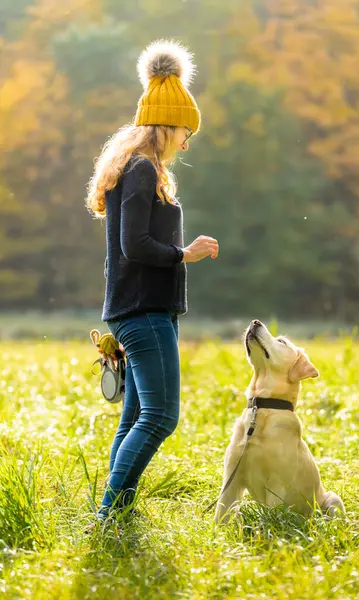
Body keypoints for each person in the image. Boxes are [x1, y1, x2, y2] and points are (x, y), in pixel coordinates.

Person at [85, 39, 219, 523]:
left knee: (135, 418)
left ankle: (114, 511)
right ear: (167, 125)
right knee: (160, 417)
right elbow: (133, 246)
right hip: (143, 312)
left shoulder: (138, 168)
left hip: (136, 310)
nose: (188, 140)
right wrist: (186, 253)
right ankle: (110, 515)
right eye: (187, 130)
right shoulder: (141, 170)